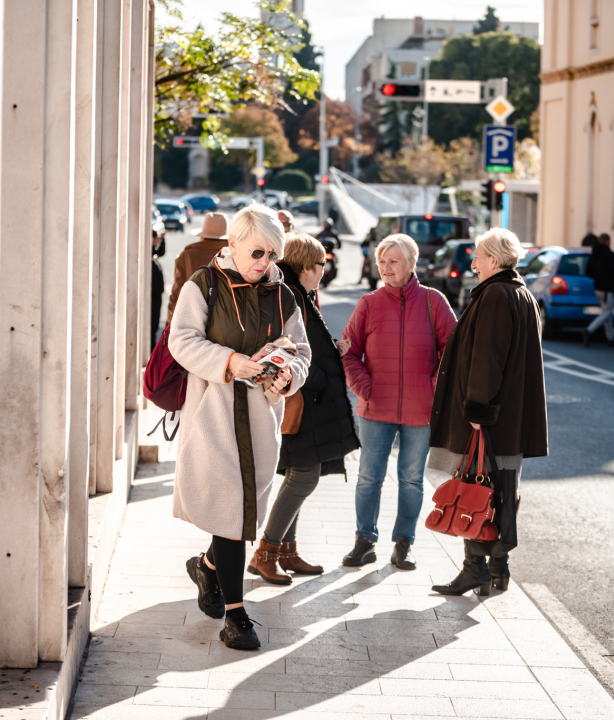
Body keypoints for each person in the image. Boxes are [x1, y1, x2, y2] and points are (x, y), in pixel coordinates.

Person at [169, 203, 312, 650]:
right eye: (256, 252)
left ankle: (207, 568)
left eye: (272, 254)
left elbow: (302, 352)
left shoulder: (283, 295)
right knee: (233, 512)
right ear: (232, 243)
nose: (264, 262)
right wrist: (231, 361)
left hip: (260, 422)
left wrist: (288, 376)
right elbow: (181, 340)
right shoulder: (204, 284)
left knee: (243, 512)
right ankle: (236, 616)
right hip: (212, 416)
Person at [427, 228, 547, 597]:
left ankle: (474, 569)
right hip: (511, 421)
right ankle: (498, 568)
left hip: (489, 419)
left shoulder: (495, 295)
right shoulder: (521, 294)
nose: (474, 264)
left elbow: (487, 359)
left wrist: (478, 409)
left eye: (478, 257)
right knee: (501, 492)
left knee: (475, 490)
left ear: (493, 260)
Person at [249, 234, 360, 584]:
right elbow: (290, 353)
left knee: (300, 472)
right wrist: (323, 376)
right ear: (308, 266)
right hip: (303, 400)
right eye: (322, 265)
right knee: (304, 475)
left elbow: (306, 346)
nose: (324, 271)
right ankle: (266, 552)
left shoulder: (297, 293)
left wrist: (331, 352)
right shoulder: (293, 295)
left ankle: (286, 549)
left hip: (305, 400)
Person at [341, 234, 456, 571]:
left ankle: (404, 543)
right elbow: (348, 352)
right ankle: (365, 540)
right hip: (375, 407)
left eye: (394, 261)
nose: (386, 267)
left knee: (411, 479)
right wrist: (365, 388)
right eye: (382, 261)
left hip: (421, 409)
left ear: (411, 263)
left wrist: (433, 389)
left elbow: (453, 351)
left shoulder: (434, 301)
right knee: (368, 478)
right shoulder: (369, 303)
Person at [166, 212, 231, 324]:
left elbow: (177, 293)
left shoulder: (187, 255)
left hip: (192, 319)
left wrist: (169, 323)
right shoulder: (234, 255)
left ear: (203, 234)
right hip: (226, 321)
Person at [582, 233, 614, 347]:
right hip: (607, 289)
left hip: (597, 288)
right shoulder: (610, 255)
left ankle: (610, 338)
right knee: (607, 312)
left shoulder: (594, 254)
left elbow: (588, 271)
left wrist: (598, 277)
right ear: (607, 241)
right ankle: (588, 330)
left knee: (608, 313)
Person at [151, 229, 166, 348]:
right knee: (152, 322)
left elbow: (161, 251)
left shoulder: (151, 253)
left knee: (155, 322)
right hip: (152, 295)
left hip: (156, 294)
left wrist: (163, 239)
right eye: (157, 238)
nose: (158, 240)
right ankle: (151, 347)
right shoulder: (147, 253)